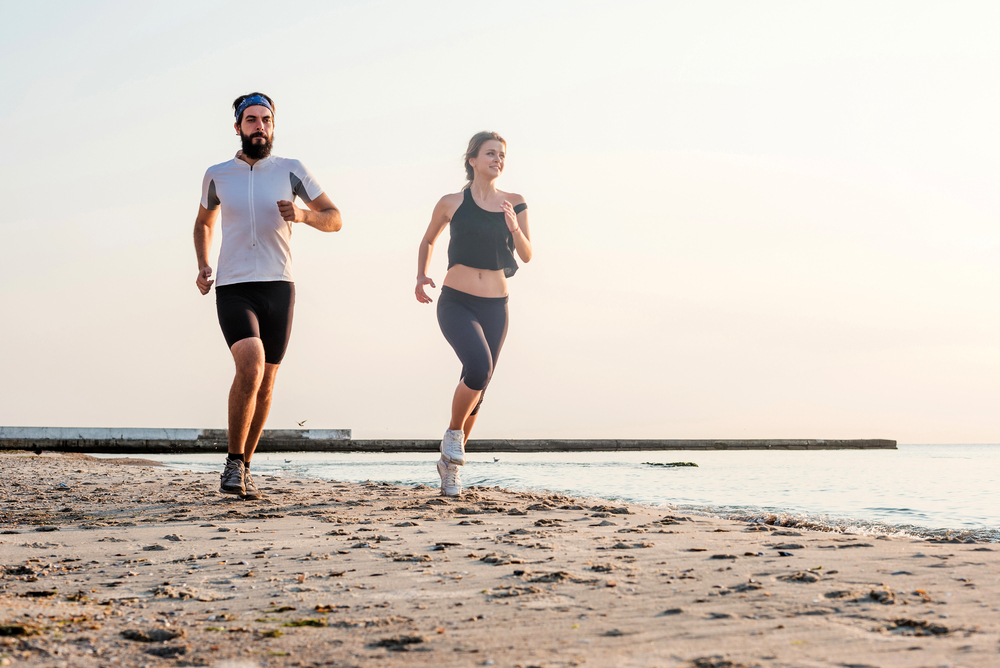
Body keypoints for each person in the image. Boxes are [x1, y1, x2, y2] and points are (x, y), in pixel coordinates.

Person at [193, 92, 342, 500]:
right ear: (238, 127)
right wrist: (204, 264)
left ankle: (244, 467)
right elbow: (204, 223)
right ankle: (231, 461)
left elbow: (335, 218)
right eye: (252, 120)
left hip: (279, 285)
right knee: (251, 363)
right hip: (233, 285)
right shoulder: (217, 174)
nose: (260, 127)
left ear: (273, 126)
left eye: (266, 120)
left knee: (267, 380)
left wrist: (305, 215)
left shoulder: (292, 170)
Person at [415, 131, 532, 496]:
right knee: (478, 368)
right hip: (456, 301)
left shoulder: (514, 203)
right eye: (491, 153)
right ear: (473, 160)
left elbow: (527, 255)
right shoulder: (451, 202)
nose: (498, 159)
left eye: (502, 155)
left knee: (479, 388)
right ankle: (453, 435)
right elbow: (429, 239)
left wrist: (513, 226)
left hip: (497, 306)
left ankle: (449, 467)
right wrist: (421, 275)